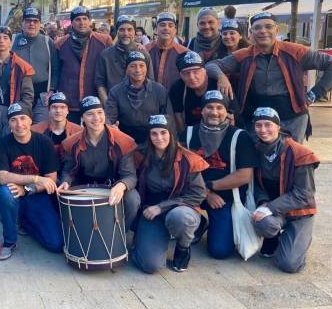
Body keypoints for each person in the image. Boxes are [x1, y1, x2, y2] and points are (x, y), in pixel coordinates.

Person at [206, 12, 332, 143]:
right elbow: (211, 65)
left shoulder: (295, 51)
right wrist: (220, 76)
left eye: (268, 26)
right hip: (257, 120)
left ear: (277, 30)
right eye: (257, 28)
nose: (263, 31)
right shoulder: (244, 55)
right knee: (256, 160)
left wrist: (314, 94)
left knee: (290, 159)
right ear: (251, 33)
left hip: (292, 118)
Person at [179, 90, 257, 258]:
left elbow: (244, 175)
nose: (214, 112)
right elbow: (179, 169)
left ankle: (208, 223)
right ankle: (198, 222)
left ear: (227, 111)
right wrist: (206, 193)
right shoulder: (189, 133)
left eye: (219, 107)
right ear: (202, 110)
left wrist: (211, 187)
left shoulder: (240, 136)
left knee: (220, 251)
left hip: (225, 199)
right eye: (209, 107)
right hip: (193, 194)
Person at [131, 115, 208, 273]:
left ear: (171, 133)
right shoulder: (139, 155)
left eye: (163, 132)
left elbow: (198, 194)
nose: (159, 138)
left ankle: (183, 246)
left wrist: (162, 207)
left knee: (180, 217)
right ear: (149, 135)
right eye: (154, 133)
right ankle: (144, 241)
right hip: (150, 212)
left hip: (180, 209)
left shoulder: (188, 159)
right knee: (151, 266)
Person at [250, 107, 319, 273]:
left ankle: (297, 239)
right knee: (263, 221)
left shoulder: (300, 153)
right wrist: (263, 203)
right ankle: (273, 238)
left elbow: (304, 194)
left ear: (278, 127)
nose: (263, 130)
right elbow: (257, 185)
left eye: (268, 124)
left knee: (289, 264)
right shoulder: (256, 150)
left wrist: (270, 208)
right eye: (258, 125)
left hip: (299, 213)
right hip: (274, 210)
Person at [58, 96, 140, 231]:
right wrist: (66, 181)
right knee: (60, 191)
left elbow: (130, 176)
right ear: (82, 118)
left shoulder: (123, 141)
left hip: (112, 184)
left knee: (133, 199)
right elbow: (68, 170)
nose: (96, 118)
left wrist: (121, 186)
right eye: (90, 114)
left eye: (99, 112)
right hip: (84, 185)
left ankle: (120, 235)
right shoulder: (71, 143)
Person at [0, 103, 63, 260]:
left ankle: (25, 221)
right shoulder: (2, 144)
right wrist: (36, 178)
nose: (19, 124)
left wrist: (27, 189)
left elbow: (50, 180)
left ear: (31, 120)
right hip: (12, 193)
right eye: (14, 120)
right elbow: (3, 177)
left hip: (36, 195)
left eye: (23, 118)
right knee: (6, 193)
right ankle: (9, 241)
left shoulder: (44, 143)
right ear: (9, 123)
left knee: (56, 244)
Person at [55, 6, 112, 123]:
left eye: (85, 19)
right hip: (69, 103)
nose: (82, 23)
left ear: (89, 21)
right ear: (72, 23)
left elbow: (114, 63)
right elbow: (55, 71)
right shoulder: (60, 44)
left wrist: (137, 46)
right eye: (78, 19)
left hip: (94, 102)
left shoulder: (104, 41)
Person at [105, 51, 173, 145]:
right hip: (125, 138)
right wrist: (111, 127)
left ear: (147, 67)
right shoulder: (115, 91)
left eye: (141, 65)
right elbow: (109, 117)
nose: (138, 70)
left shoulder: (159, 90)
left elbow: (169, 120)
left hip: (153, 139)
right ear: (126, 69)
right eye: (132, 66)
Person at [12, 7, 60, 123]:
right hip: (19, 92)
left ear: (40, 24)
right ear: (22, 23)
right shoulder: (13, 40)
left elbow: (55, 68)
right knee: (20, 127)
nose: (32, 24)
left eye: (35, 21)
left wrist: (52, 90)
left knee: (40, 128)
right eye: (28, 21)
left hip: (42, 94)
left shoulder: (48, 42)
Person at [95, 15, 154, 102]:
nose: (126, 33)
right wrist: (108, 105)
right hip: (113, 105)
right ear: (117, 31)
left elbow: (150, 82)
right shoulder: (105, 55)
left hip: (139, 106)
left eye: (129, 29)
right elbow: (100, 83)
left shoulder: (144, 54)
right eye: (122, 29)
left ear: (134, 32)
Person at [30, 92, 83, 176]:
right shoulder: (34, 131)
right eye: (54, 107)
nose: (58, 111)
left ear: (67, 110)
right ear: (49, 110)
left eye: (62, 107)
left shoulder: (79, 132)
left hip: (70, 177)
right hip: (43, 176)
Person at [169, 51, 219, 132]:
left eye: (196, 71)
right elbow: (177, 115)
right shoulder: (177, 88)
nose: (191, 77)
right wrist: (185, 137)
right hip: (190, 130)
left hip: (217, 131)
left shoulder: (218, 86)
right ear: (180, 75)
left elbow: (233, 116)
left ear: (204, 71)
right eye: (186, 73)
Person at [146, 12, 189, 90]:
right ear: (156, 29)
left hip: (174, 100)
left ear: (175, 30)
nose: (166, 28)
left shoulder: (185, 53)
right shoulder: (145, 50)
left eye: (170, 25)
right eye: (162, 25)